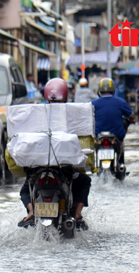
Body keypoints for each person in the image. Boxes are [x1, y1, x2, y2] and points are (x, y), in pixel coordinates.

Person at [18, 78, 92, 230]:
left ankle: (31, 212)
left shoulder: (37, 112)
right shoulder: (74, 114)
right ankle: (77, 215)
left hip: (39, 168)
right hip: (64, 169)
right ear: (65, 96)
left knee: (25, 189)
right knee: (84, 181)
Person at [92, 77, 136, 171]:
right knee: (122, 142)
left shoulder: (93, 104)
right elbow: (132, 116)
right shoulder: (121, 102)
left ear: (99, 91)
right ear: (113, 90)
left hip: (98, 135)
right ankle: (121, 164)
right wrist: (130, 120)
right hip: (117, 136)